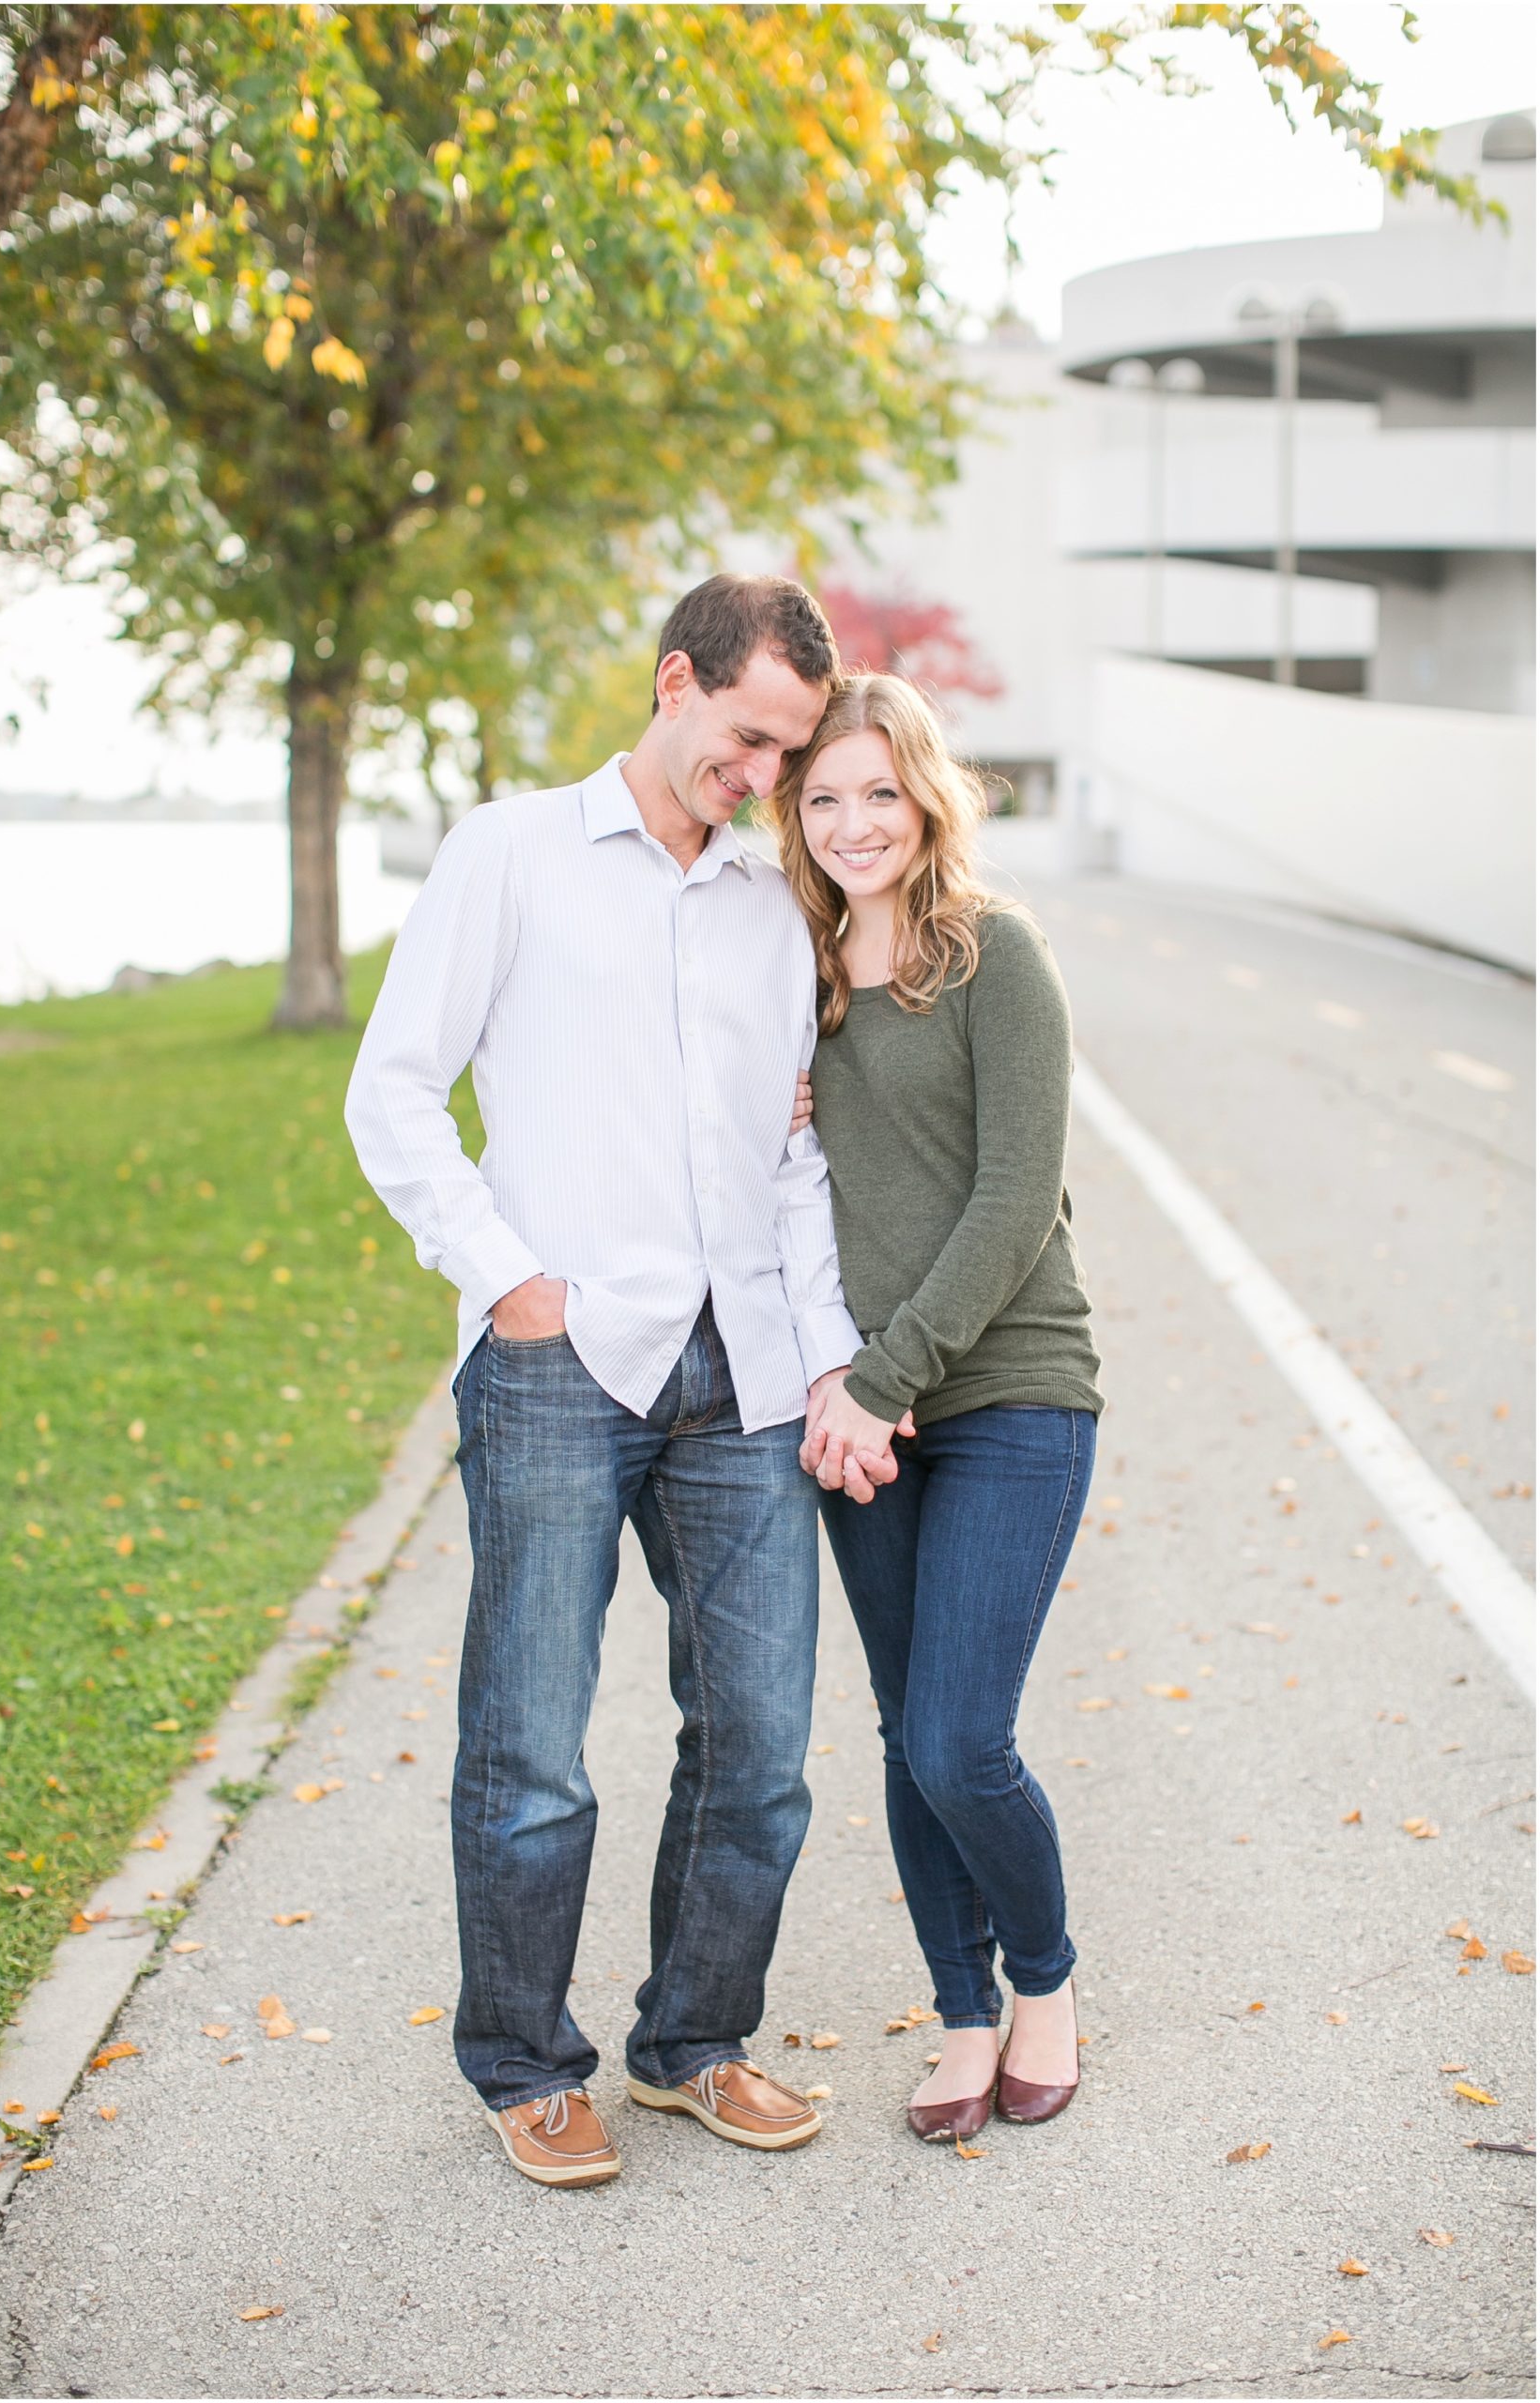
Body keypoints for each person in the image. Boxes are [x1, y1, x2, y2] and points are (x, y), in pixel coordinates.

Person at [344, 576, 905, 2189]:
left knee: (760, 1747)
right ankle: (525, 2063)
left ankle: (692, 2044)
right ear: (674, 682)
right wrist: (507, 1281)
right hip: (557, 1364)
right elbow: (393, 1094)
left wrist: (821, 1360)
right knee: (529, 1746)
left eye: (790, 755)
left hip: (742, 1375)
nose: (764, 778)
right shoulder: (507, 852)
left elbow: (789, 1157)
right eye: (748, 739)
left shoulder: (765, 900)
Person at [766, 672, 1103, 2141]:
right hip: (863, 1414)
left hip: (1007, 1390)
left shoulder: (994, 957)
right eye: (822, 797)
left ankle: (1043, 1985)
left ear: (924, 797)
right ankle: (960, 2017)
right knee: (908, 1736)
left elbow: (1016, 1197)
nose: (851, 823)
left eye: (877, 794)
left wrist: (879, 1383)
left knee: (963, 1738)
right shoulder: (797, 978)